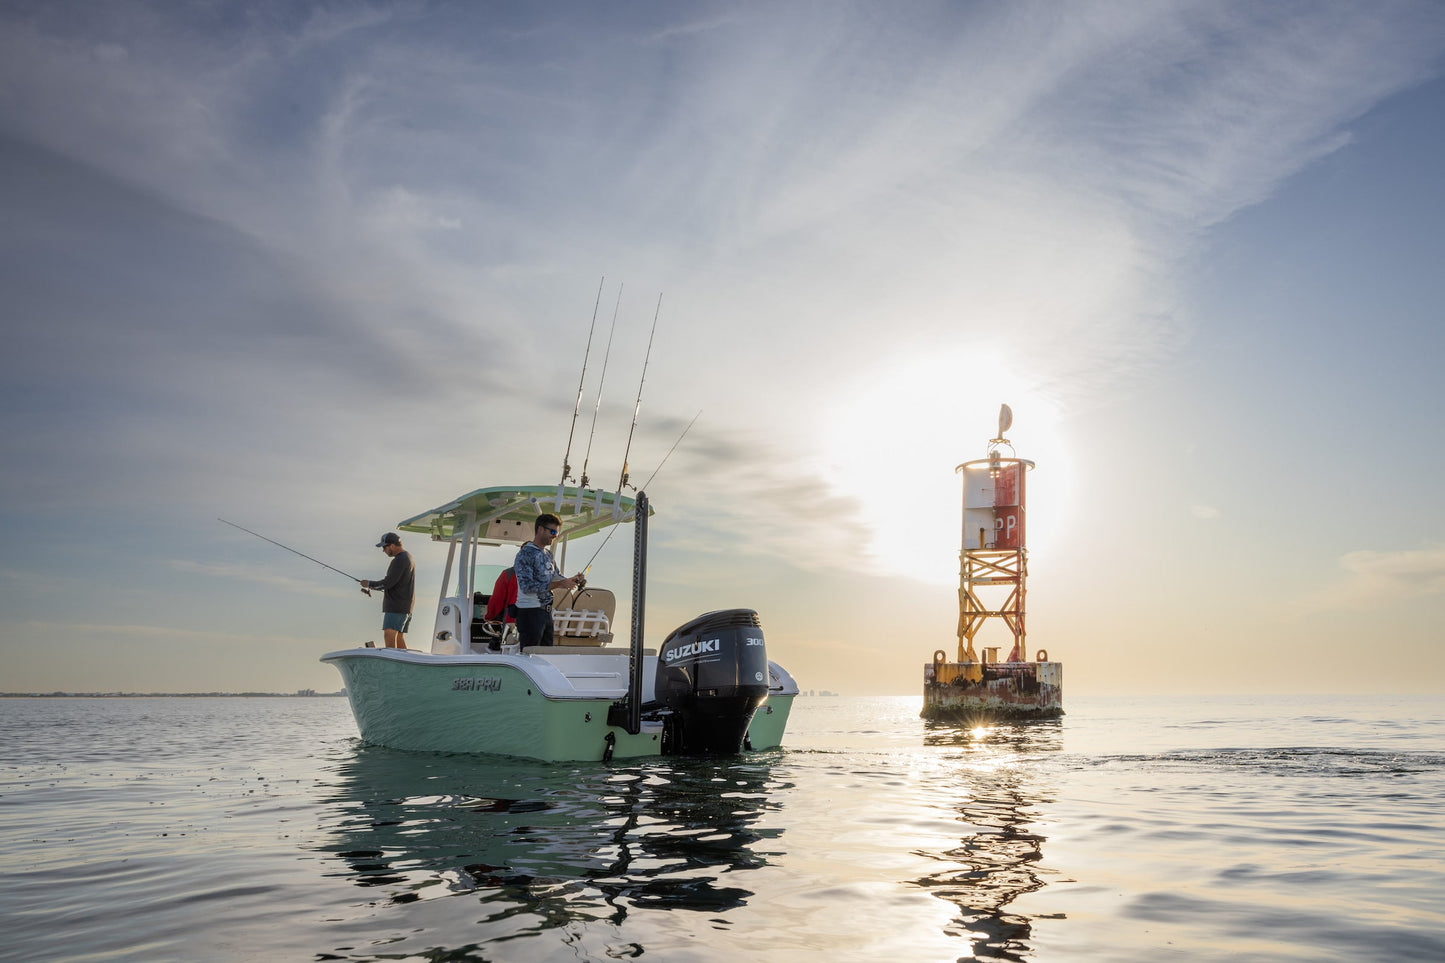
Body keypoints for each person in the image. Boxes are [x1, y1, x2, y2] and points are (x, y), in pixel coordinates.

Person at [512, 513, 584, 648]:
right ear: (540, 529)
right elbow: (527, 586)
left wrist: (572, 579)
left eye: (557, 532)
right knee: (530, 655)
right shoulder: (525, 554)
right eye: (552, 531)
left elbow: (556, 576)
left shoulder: (548, 554)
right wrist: (560, 584)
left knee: (547, 656)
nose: (555, 535)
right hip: (530, 612)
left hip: (546, 613)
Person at [361, 532, 415, 649]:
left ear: (391, 546)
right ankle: (405, 664)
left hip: (396, 606)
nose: (383, 551)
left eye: (384, 547)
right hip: (405, 605)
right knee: (399, 637)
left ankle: (393, 663)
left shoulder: (400, 560)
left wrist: (370, 584)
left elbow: (388, 582)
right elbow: (394, 582)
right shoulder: (408, 557)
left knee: (389, 634)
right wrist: (373, 586)